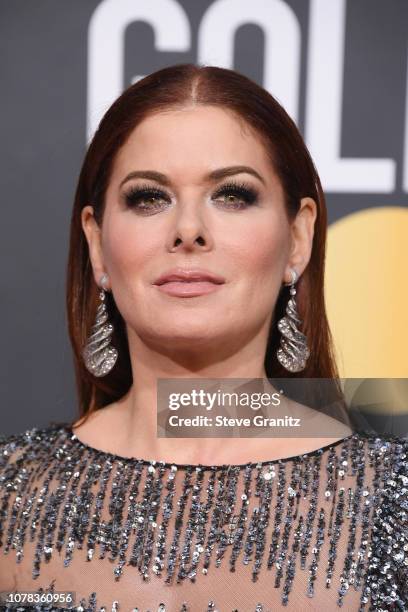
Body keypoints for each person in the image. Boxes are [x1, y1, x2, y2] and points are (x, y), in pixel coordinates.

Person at [0, 64, 406, 612]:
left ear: (298, 238)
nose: (188, 230)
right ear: (97, 245)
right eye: (148, 197)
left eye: (232, 195)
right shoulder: (12, 492)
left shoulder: (391, 500)